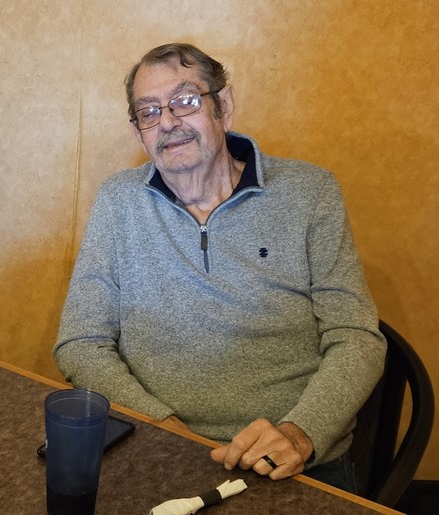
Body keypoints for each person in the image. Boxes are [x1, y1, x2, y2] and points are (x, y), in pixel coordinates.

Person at [53, 43, 384, 493]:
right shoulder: (119, 200)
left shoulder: (310, 193)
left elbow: (356, 336)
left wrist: (300, 433)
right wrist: (163, 429)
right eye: (149, 111)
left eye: (185, 101)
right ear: (138, 132)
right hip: (155, 445)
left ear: (223, 106)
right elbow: (80, 342)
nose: (167, 122)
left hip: (286, 459)